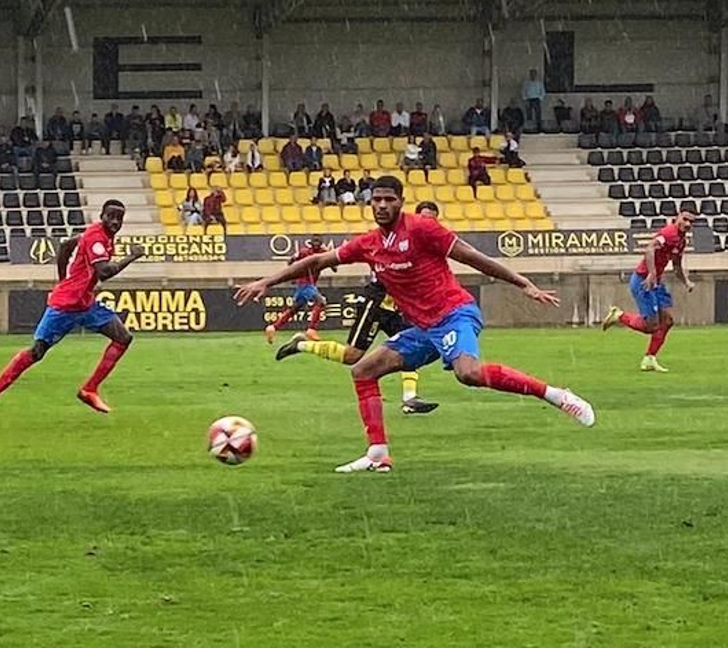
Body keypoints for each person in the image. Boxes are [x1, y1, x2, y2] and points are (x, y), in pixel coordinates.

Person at [234, 176, 595, 473]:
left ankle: (557, 396)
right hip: (423, 328)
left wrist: (524, 284)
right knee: (362, 370)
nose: (381, 205)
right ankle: (378, 453)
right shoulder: (369, 244)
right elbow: (318, 260)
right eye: (376, 199)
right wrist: (267, 281)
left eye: (389, 199)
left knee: (467, 374)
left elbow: (474, 257)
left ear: (401, 201)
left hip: (454, 313)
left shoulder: (423, 230)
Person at [0, 201, 145, 428]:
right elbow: (104, 272)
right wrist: (131, 257)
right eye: (110, 217)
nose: (115, 222)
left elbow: (66, 245)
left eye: (119, 218)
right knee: (36, 352)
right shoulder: (96, 238)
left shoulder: (98, 234)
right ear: (101, 215)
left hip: (85, 304)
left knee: (123, 337)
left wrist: (62, 278)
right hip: (65, 306)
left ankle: (89, 389)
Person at [274, 202, 445, 415]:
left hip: (397, 305)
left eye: (432, 219)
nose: (428, 223)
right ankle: (301, 345)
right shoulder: (399, 238)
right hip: (376, 300)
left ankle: (410, 399)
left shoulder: (427, 245)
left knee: (411, 347)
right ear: (415, 218)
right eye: (424, 218)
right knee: (352, 356)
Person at [601, 210, 695, 373]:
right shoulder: (668, 233)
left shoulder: (681, 241)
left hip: (656, 282)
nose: (687, 224)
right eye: (685, 219)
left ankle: (649, 359)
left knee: (667, 321)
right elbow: (650, 248)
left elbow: (677, 265)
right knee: (651, 326)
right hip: (643, 281)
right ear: (677, 218)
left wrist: (686, 281)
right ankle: (620, 316)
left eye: (691, 222)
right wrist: (651, 273)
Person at [262, 237, 331, 344]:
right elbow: (291, 260)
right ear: (311, 244)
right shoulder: (305, 252)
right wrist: (298, 270)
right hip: (306, 284)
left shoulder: (322, 253)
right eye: (315, 242)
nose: (316, 245)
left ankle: (273, 327)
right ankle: (311, 329)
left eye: (318, 243)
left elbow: (334, 267)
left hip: (304, 285)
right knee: (320, 302)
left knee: (294, 309)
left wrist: (327, 255)